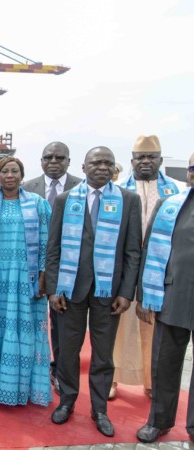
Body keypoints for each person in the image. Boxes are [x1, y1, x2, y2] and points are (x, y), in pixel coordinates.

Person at [46, 146, 141, 437]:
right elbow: (53, 249)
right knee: (68, 353)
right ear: (84, 168)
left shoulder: (129, 201)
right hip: (70, 290)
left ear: (114, 169)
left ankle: (99, 409)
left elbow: (133, 251)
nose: (102, 167)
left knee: (102, 355)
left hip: (108, 294)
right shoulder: (65, 200)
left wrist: (126, 292)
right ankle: (68, 401)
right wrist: (53, 289)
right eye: (96, 162)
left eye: (108, 163)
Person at [0, 156, 52, 407]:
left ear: (22, 175)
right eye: (5, 171)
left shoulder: (39, 204)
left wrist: (43, 276)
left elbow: (47, 244)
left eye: (15, 171)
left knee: (26, 330)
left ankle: (25, 390)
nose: (10, 176)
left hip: (27, 279)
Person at [110, 135, 180, 400]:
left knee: (154, 324)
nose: (146, 161)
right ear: (132, 161)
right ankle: (113, 378)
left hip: (160, 268)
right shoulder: (117, 190)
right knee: (118, 323)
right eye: (141, 157)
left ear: (160, 160)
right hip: (125, 267)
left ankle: (152, 381)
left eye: (152, 157)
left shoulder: (177, 192)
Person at [135, 152, 194, 443]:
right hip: (173, 296)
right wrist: (145, 295)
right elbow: (150, 252)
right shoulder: (170, 205)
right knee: (164, 363)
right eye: (193, 168)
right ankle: (159, 421)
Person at [22, 141, 82, 393]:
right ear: (41, 161)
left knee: (62, 327)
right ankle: (35, 369)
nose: (54, 162)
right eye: (48, 157)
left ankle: (59, 371)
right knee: (31, 322)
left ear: (69, 161)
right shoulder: (27, 188)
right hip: (33, 269)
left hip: (68, 271)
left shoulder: (81, 187)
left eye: (60, 157)